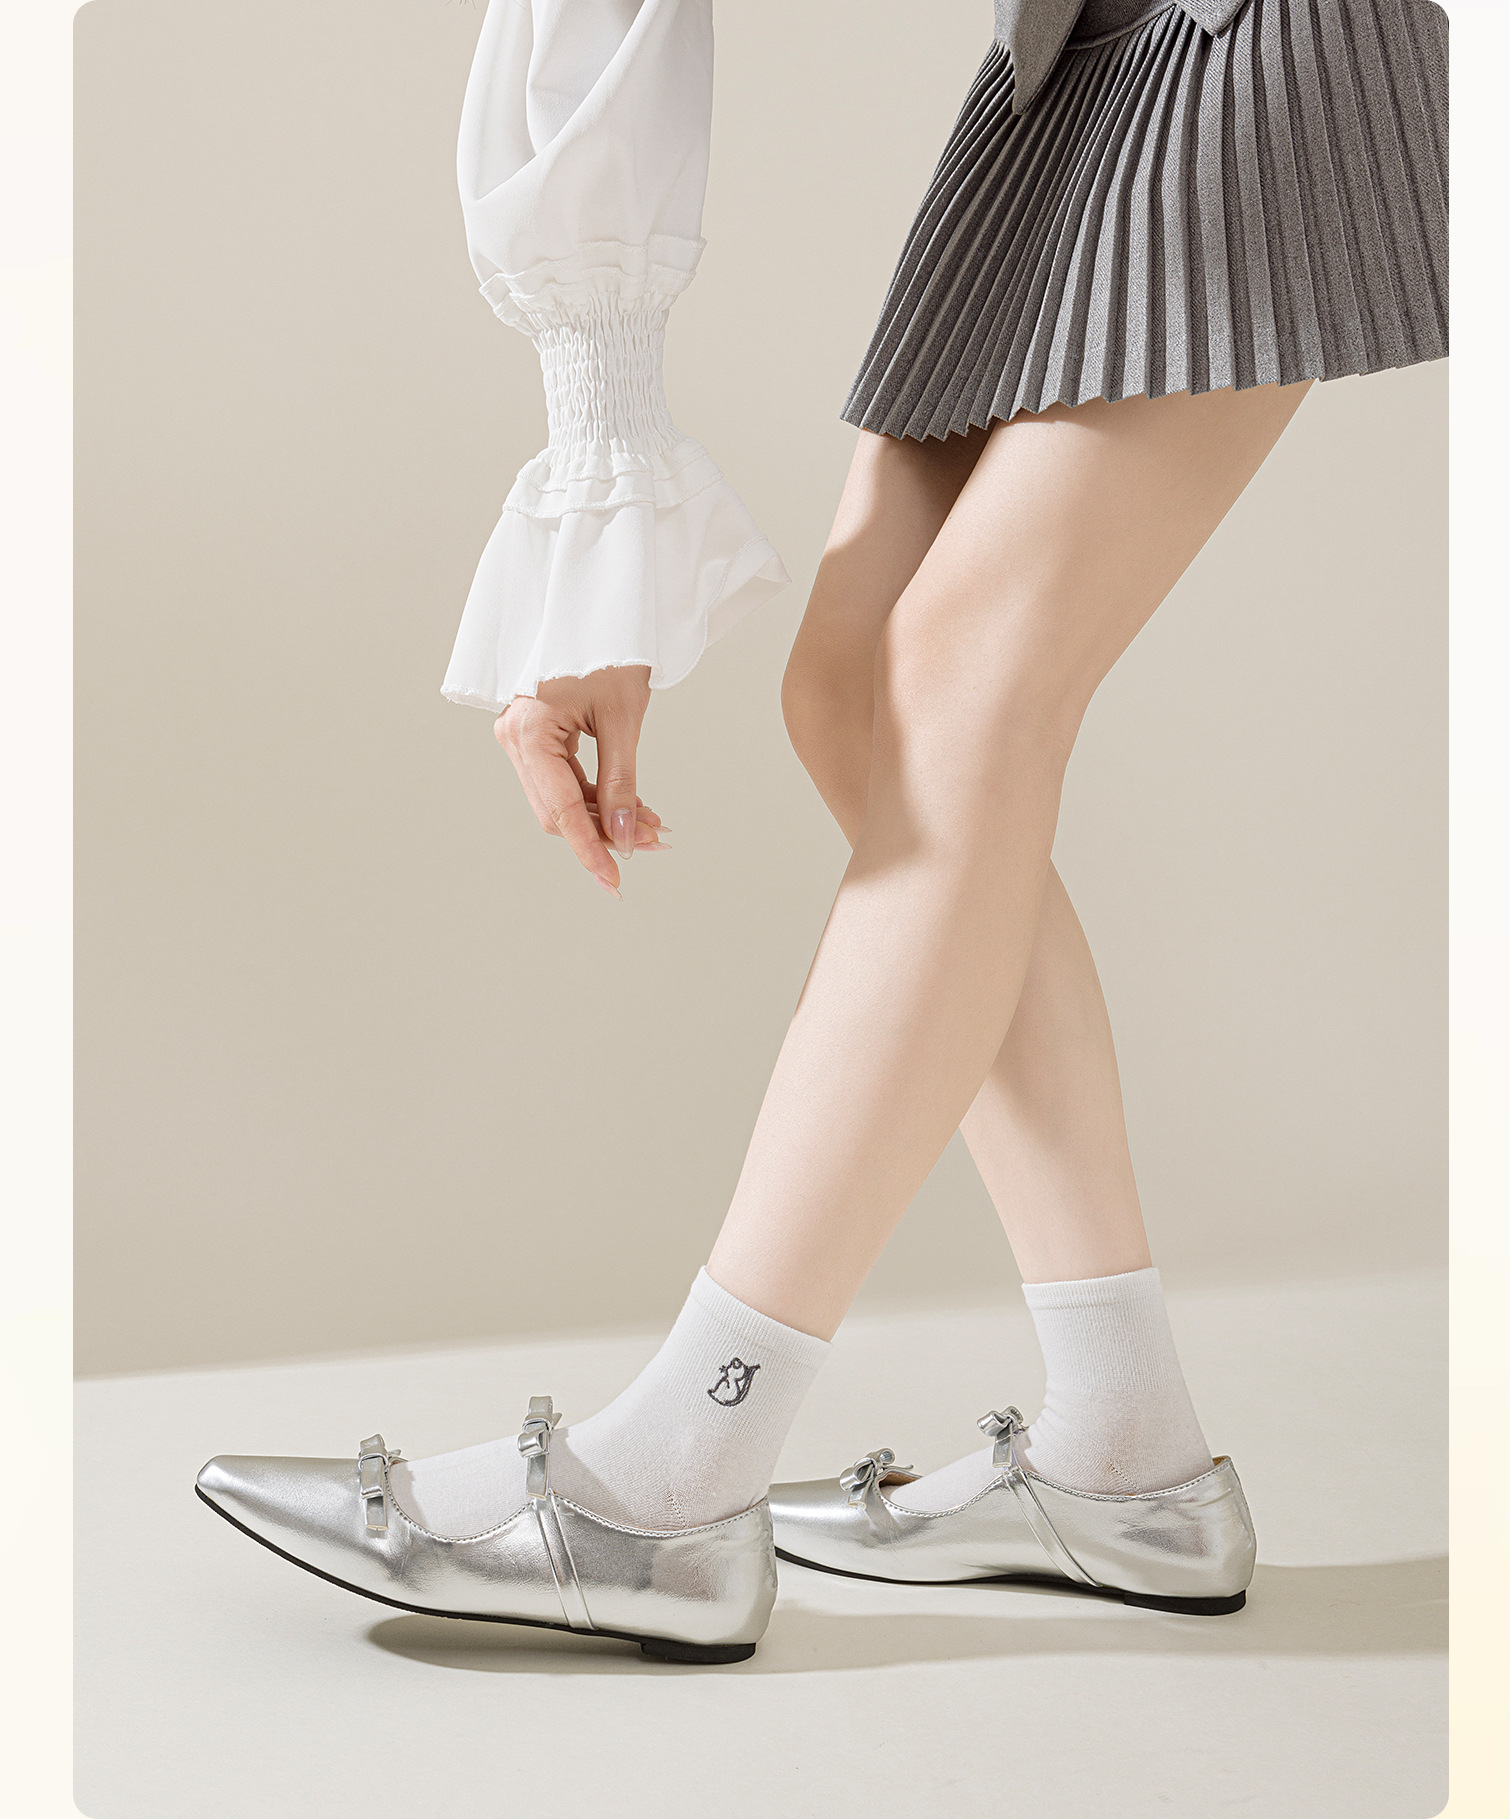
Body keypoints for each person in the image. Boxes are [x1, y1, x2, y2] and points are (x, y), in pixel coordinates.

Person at [197, 0, 1448, 1664]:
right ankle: (1126, 1451)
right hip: (1072, 64)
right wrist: (594, 511)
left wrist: (598, 504)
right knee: (853, 697)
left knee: (955, 691)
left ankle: (670, 1477)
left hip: (1259, 30)